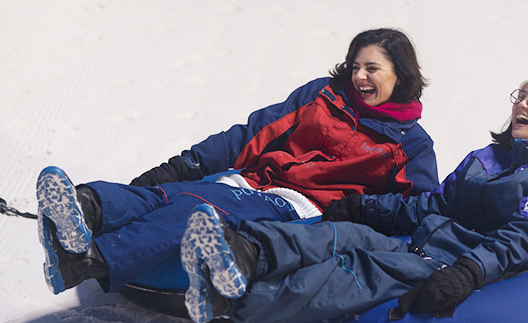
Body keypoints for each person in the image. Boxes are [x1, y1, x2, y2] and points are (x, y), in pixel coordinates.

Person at [36, 28, 439, 296]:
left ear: (399, 74)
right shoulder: (323, 96)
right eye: (355, 67)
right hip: (251, 182)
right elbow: (253, 133)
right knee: (167, 193)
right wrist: (184, 165)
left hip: (298, 209)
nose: (359, 78)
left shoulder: (412, 146)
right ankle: (84, 207)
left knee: (192, 209)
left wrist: (358, 209)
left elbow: (416, 208)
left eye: (372, 69)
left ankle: (88, 261)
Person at [178, 67, 528, 323]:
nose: (521, 103)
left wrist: (468, 272)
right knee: (336, 235)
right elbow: (435, 203)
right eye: (519, 95)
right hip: (418, 239)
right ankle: (240, 251)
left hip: (447, 261)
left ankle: (230, 302)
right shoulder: (487, 157)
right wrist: (367, 208)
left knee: (347, 273)